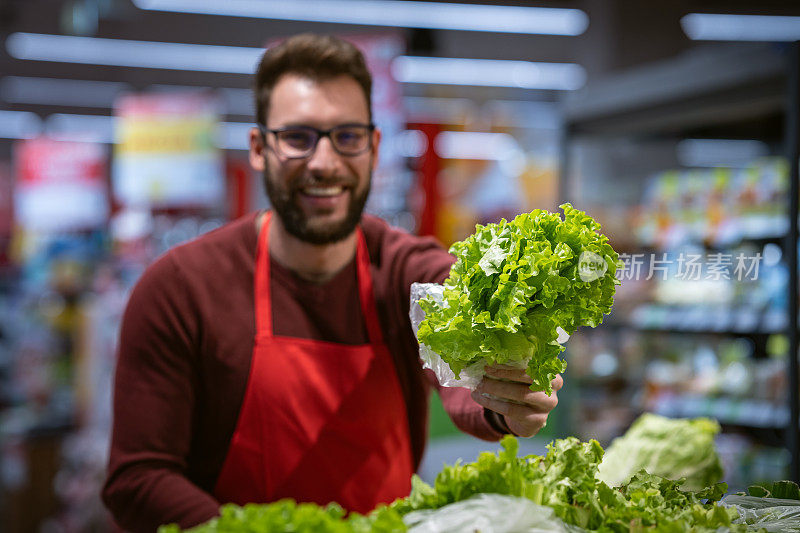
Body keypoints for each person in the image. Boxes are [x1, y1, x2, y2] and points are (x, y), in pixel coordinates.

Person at [102, 33, 563, 532]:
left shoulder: (405, 272)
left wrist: (503, 399)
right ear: (259, 148)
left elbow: (461, 371)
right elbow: (138, 479)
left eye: (347, 137)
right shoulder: (181, 289)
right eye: (298, 137)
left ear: (374, 147)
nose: (324, 163)